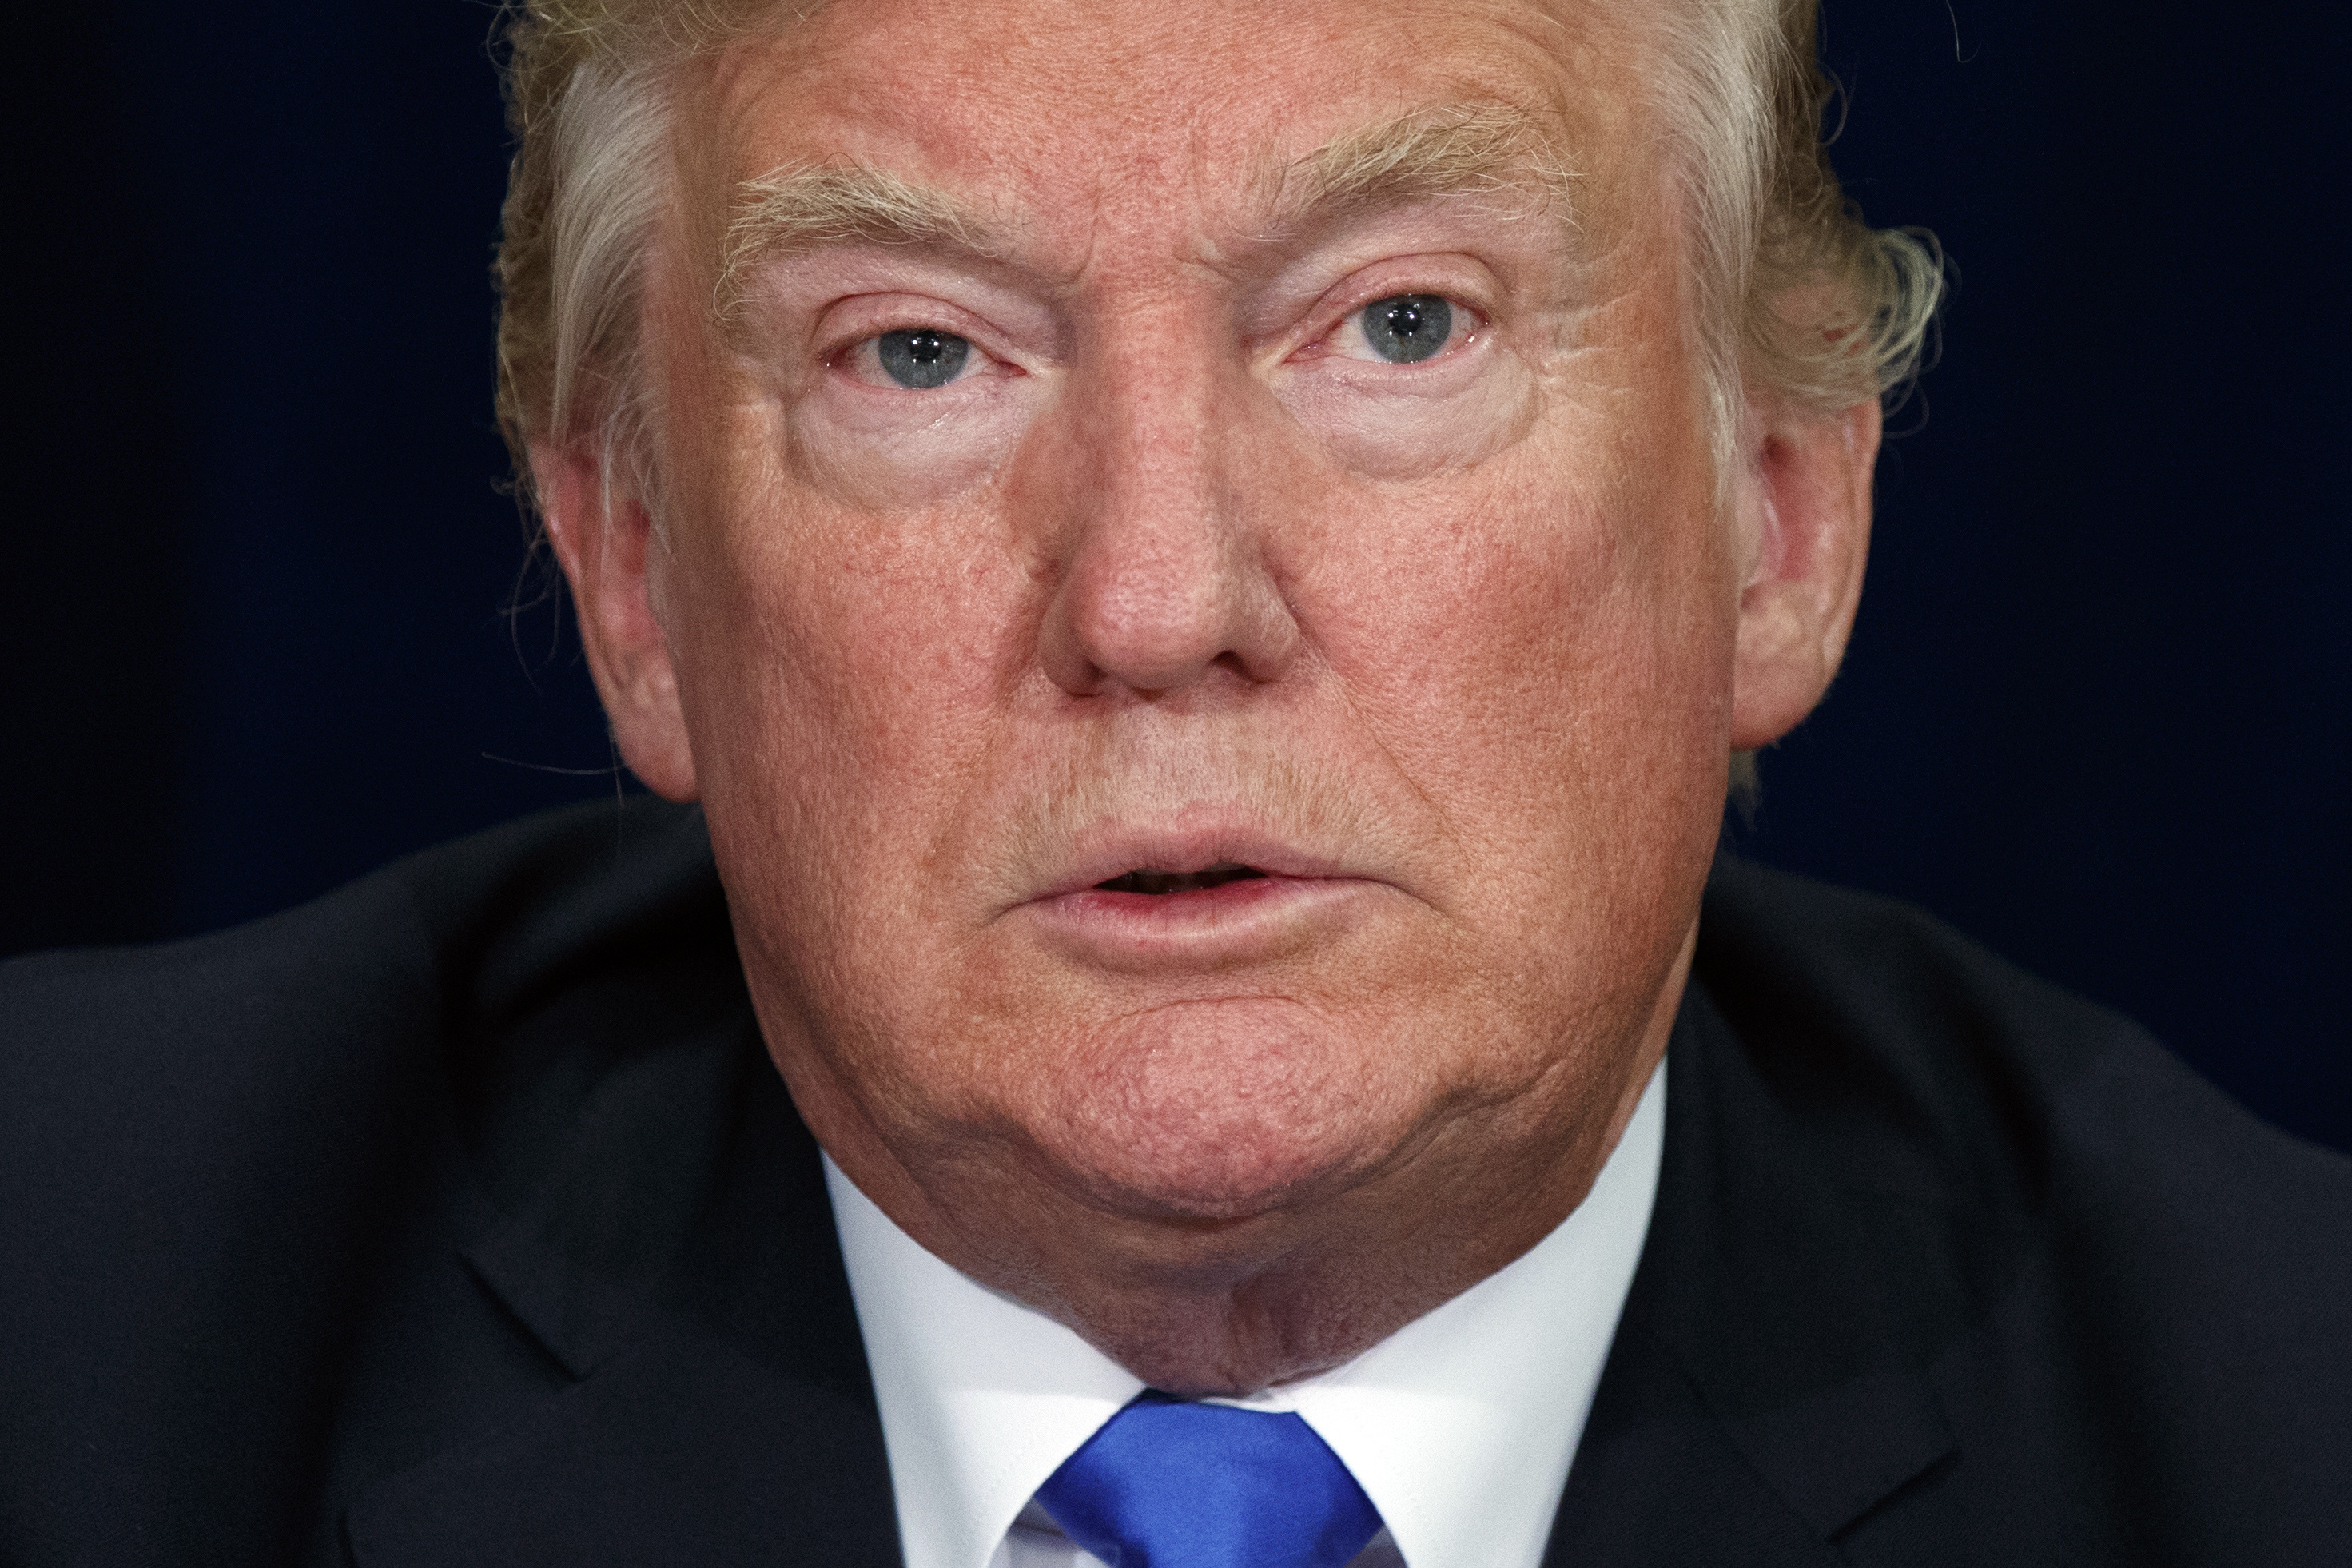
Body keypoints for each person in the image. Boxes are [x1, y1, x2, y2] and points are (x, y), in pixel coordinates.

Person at [3, 0, 2345, 1563]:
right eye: (919, 351)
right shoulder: (83, 1322)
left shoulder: (2272, 1434)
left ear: (1778, 513)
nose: (1151, 596)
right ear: (631, 575)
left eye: (1399, 324)